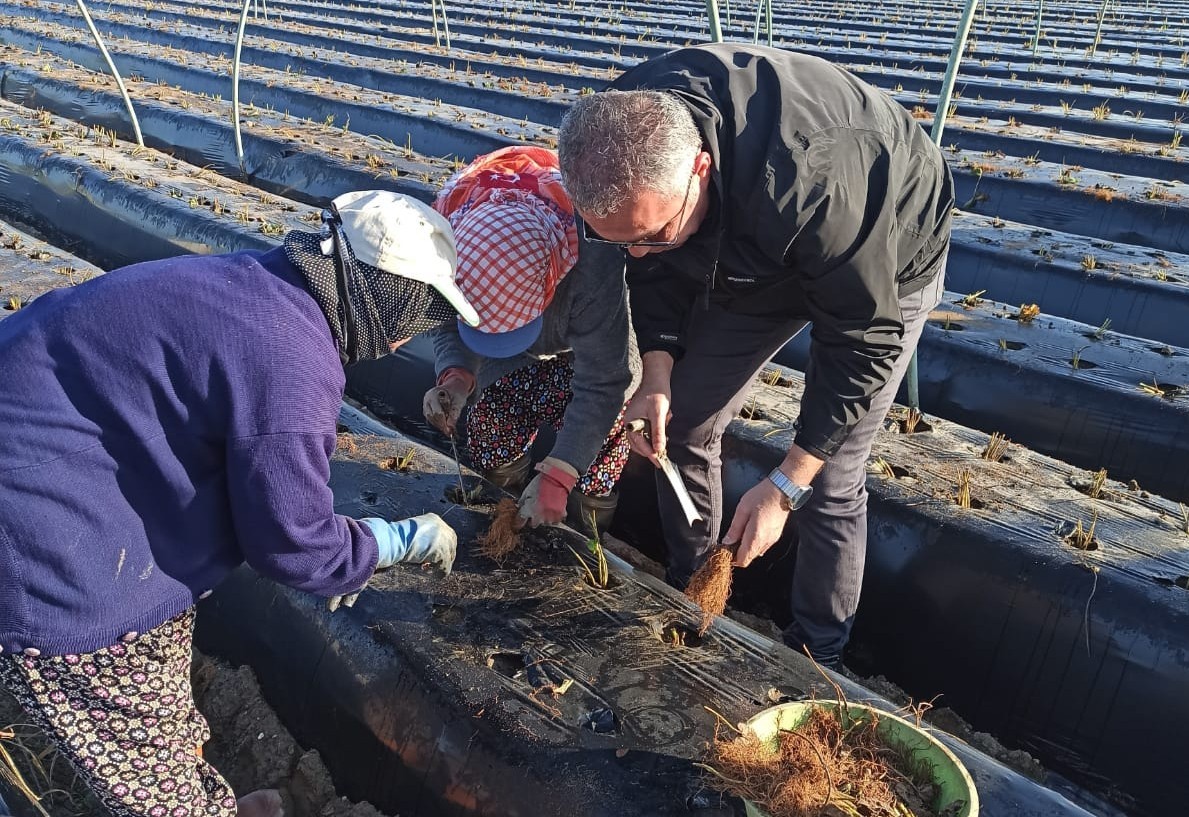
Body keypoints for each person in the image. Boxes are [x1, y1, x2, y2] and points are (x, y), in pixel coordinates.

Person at [0, 192, 477, 817]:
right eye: (412, 316)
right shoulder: (290, 362)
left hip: (68, 466)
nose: (401, 341)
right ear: (380, 293)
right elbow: (291, 540)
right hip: (44, 535)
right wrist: (390, 543)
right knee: (129, 730)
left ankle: (203, 796)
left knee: (158, 683)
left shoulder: (254, 281)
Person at [558, 44, 954, 668]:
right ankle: (696, 589)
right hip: (744, 248)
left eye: (653, 235)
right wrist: (657, 365)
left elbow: (862, 338)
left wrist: (787, 484)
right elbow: (649, 259)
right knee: (682, 420)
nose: (634, 255)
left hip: (884, 256)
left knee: (833, 473)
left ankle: (816, 655)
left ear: (699, 169)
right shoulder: (620, 129)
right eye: (617, 240)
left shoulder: (811, 182)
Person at [422, 146, 638, 533]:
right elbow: (445, 318)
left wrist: (560, 474)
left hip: (585, 355)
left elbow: (603, 381)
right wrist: (455, 375)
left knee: (599, 451)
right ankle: (509, 513)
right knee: (492, 426)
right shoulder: (445, 238)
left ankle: (585, 534)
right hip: (513, 362)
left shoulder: (592, 258)